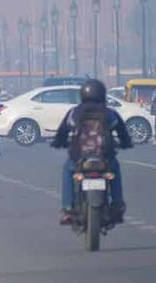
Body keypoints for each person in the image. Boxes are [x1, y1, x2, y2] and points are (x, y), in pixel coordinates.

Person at [51, 79, 133, 225]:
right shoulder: (110, 114)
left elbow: (62, 132)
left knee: (68, 170)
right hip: (105, 158)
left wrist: (58, 143)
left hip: (79, 159)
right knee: (115, 170)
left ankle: (68, 208)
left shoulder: (74, 113)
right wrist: (126, 143)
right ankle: (116, 203)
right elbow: (123, 133)